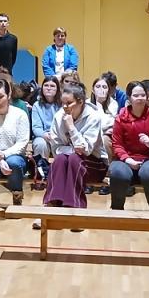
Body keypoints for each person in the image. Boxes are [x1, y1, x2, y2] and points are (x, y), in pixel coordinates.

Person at [41, 84, 104, 215]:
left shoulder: (93, 116)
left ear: (81, 102)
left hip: (96, 164)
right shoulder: (59, 116)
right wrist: (73, 149)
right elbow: (56, 148)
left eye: (69, 103)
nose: (65, 107)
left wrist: (71, 127)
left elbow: (86, 150)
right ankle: (52, 203)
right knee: (60, 159)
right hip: (69, 160)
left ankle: (74, 207)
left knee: (74, 159)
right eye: (62, 103)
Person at [109, 81, 149, 212]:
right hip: (126, 161)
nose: (140, 98)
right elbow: (117, 144)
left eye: (143, 95)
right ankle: (116, 211)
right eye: (136, 95)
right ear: (129, 98)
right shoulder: (120, 118)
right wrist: (128, 159)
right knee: (118, 172)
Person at [29, 76, 62, 184]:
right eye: (46, 85)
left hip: (59, 135)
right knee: (40, 144)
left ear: (57, 89)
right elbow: (36, 127)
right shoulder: (36, 105)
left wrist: (55, 135)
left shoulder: (62, 104)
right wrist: (44, 135)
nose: (49, 88)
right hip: (42, 136)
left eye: (52, 86)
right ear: (42, 88)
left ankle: (59, 175)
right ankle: (41, 174)